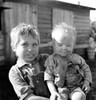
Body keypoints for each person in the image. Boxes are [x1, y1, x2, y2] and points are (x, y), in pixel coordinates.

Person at [44, 22, 92, 100]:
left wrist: (87, 82)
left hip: (76, 88)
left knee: (79, 97)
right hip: (61, 90)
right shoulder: (52, 60)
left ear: (73, 45)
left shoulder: (78, 59)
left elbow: (86, 70)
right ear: (53, 44)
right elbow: (48, 77)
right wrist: (53, 92)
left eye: (68, 45)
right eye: (60, 45)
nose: (64, 48)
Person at [8, 23, 50, 100]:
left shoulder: (46, 59)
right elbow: (28, 97)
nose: (30, 49)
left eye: (34, 44)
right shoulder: (15, 72)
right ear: (14, 47)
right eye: (24, 44)